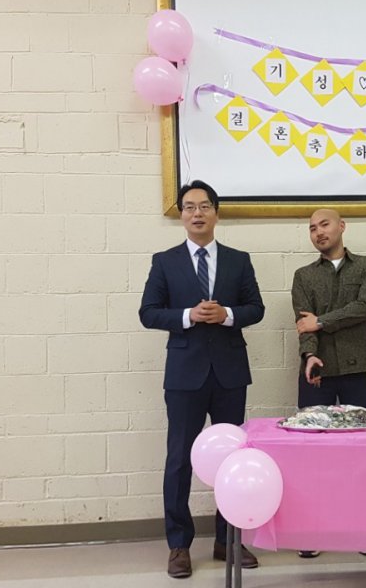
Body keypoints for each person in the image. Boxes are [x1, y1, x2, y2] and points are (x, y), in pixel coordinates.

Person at [139, 180, 265, 579]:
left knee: (232, 457)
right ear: (181, 214)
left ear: (216, 212)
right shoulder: (165, 261)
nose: (197, 213)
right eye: (189, 206)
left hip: (229, 373)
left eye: (204, 206)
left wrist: (227, 314)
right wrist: (187, 316)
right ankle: (179, 545)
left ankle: (228, 539)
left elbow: (256, 308)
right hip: (184, 375)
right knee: (179, 459)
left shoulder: (238, 260)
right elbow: (148, 313)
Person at [291, 208, 366, 559]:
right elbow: (303, 323)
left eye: (324, 224)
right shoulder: (303, 276)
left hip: (358, 370)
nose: (318, 232)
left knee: (365, 452)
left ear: (342, 226)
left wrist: (322, 321)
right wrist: (309, 354)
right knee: (312, 454)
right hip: (319, 372)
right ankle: (312, 530)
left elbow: (365, 307)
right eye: (312, 228)